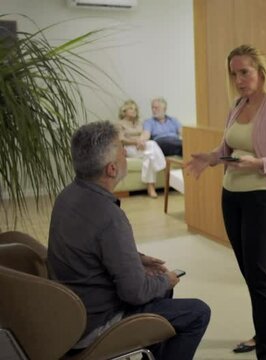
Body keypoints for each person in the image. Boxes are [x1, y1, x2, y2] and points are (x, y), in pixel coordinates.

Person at [48, 121, 211, 359]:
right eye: (123, 150)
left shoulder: (67, 196)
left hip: (72, 314)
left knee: (159, 290)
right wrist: (166, 279)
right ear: (112, 169)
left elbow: (90, 248)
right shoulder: (109, 216)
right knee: (197, 312)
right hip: (95, 325)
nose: (126, 153)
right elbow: (135, 293)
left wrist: (137, 259)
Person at [185, 44, 266, 359]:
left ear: (261, 72)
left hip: (264, 200)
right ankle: (264, 331)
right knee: (250, 273)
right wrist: (210, 158)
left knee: (259, 273)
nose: (239, 79)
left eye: (245, 72)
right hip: (232, 198)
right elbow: (227, 146)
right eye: (234, 73)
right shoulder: (238, 105)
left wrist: (259, 163)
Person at [117, 99, 167, 198]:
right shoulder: (120, 124)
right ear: (124, 111)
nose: (134, 110)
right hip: (129, 148)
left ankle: (150, 187)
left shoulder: (140, 123)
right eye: (131, 108)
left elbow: (145, 135)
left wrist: (141, 141)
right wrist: (136, 141)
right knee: (151, 148)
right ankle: (162, 167)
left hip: (141, 146)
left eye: (135, 109)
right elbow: (121, 139)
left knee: (150, 151)